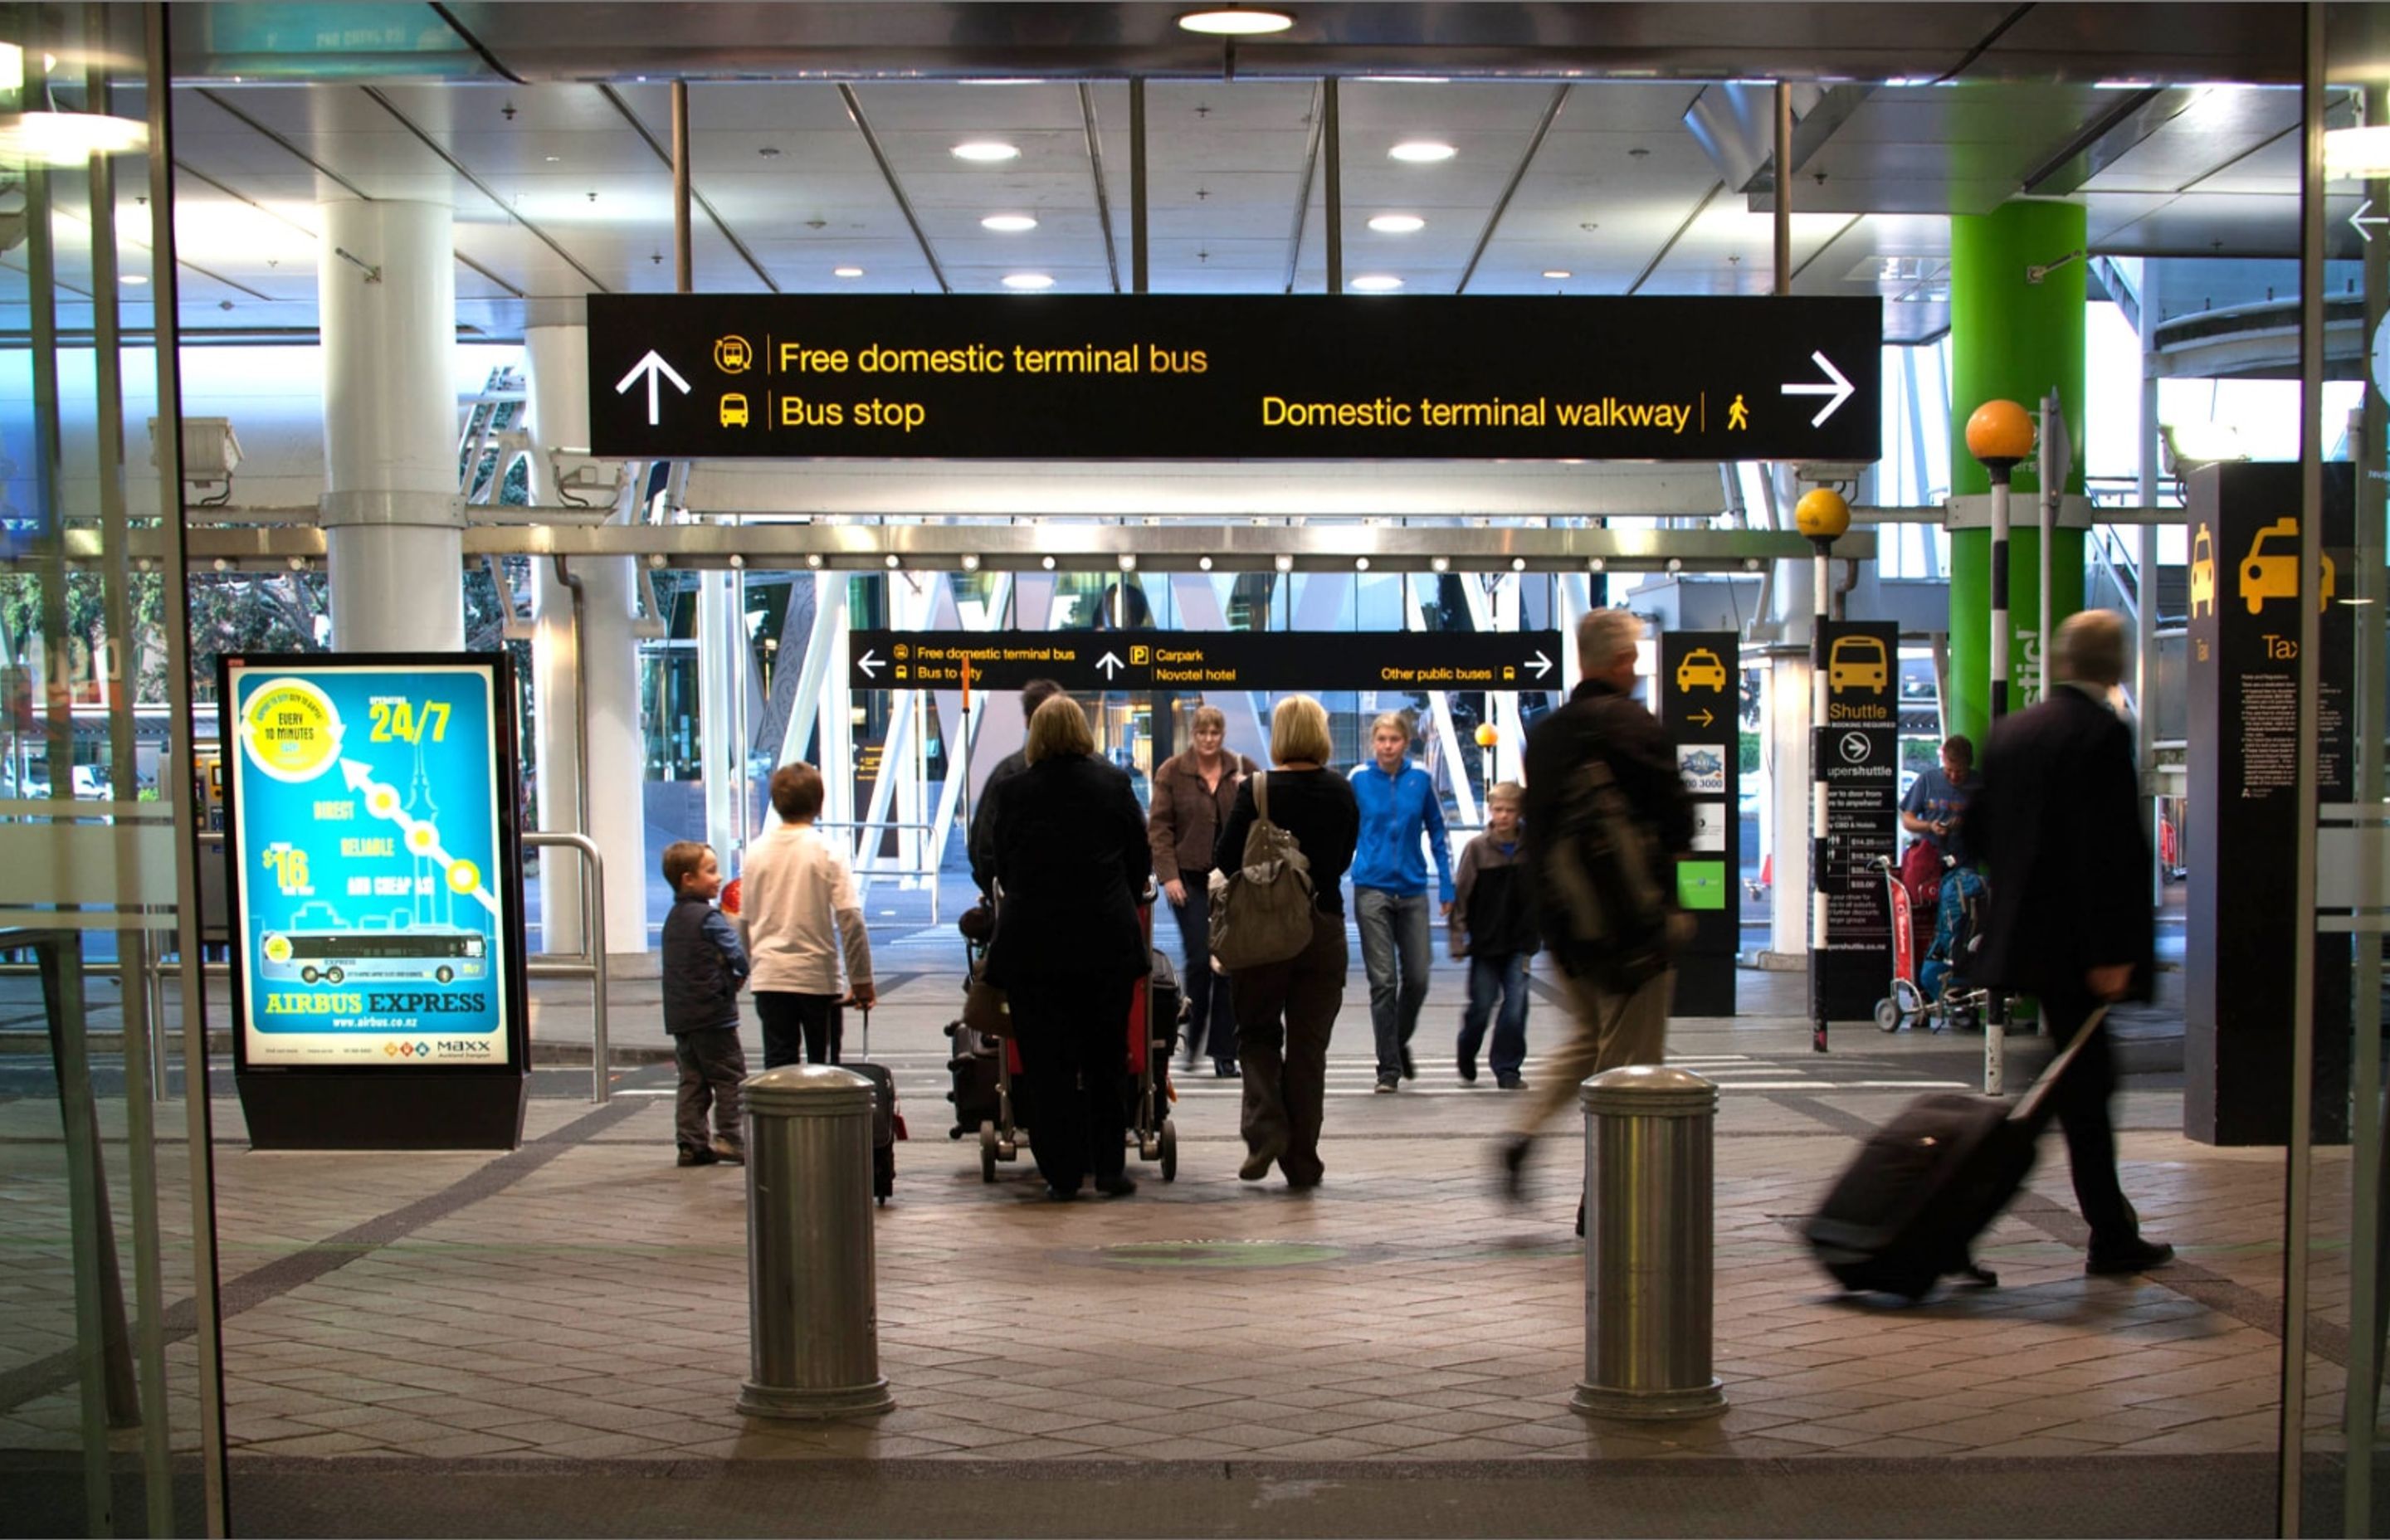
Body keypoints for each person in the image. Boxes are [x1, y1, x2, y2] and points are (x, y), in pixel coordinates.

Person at [1966, 609, 2173, 1276]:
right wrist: (2115, 951)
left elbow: (1974, 837)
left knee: (2076, 1085)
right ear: (2113, 664)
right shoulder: (2100, 734)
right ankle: (1962, 1218)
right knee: (2069, 1089)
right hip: (2080, 950)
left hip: (2024, 941)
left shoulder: (2011, 733)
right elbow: (2109, 852)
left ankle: (2108, 1229)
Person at [1504, 607, 1692, 1195]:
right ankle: (1610, 1195)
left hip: (1568, 926)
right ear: (1622, 661)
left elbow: (1536, 834)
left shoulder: (1548, 735)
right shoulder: (1632, 724)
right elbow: (1678, 820)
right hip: (1631, 925)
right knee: (1630, 1065)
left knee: (1591, 1040)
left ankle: (1526, 1133)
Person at [983, 694, 1152, 1200]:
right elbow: (1138, 860)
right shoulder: (1114, 785)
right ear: (1083, 731)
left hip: (1034, 948)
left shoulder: (1013, 791)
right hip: (1105, 943)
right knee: (1106, 1058)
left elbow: (1001, 865)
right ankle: (1109, 1170)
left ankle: (1060, 1173)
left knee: (1045, 1062)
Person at [1214, 694, 1359, 1190]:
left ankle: (1267, 1127)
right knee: (1307, 1050)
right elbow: (1340, 861)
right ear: (1320, 735)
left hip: (1263, 930)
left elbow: (1226, 856)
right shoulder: (1341, 791)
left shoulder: (1256, 789)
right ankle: (1303, 1164)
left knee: (1255, 1033)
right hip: (1323, 928)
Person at [1148, 704, 1261, 1079]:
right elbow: (1160, 828)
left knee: (1227, 962)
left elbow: (1267, 812)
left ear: (1223, 735)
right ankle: (1192, 1035)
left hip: (1232, 880)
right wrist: (1169, 876)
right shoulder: (1172, 771)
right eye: (1202, 734)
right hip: (1190, 880)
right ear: (1192, 735)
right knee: (1199, 958)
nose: (1209, 740)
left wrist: (1252, 792)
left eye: (1215, 734)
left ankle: (1224, 1052)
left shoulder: (1241, 767)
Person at [740, 762, 876, 1069]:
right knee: (824, 1066)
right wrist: (862, 980)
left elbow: (744, 921)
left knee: (777, 1065)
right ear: (819, 803)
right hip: (817, 979)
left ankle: (779, 1118)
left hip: (770, 978)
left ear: (775, 802)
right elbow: (850, 919)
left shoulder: (755, 851)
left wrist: (753, 965)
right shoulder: (827, 851)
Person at [1349, 709, 1455, 1092]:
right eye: (1381, 739)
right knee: (1383, 981)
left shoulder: (1421, 780)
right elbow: (1344, 828)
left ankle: (1397, 1040)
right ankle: (1388, 1070)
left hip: (1412, 890)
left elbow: (1440, 833)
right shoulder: (1358, 780)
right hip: (1371, 888)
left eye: (1394, 740)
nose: (1387, 746)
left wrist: (1447, 886)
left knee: (1418, 978)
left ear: (1406, 742)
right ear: (1373, 742)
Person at [658, 840, 749, 1167]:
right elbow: (735, 951)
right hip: (713, 1013)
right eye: (711, 871)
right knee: (729, 1076)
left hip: (681, 1015)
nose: (719, 877)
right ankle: (730, 1137)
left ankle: (691, 1143)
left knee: (693, 1079)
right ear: (688, 879)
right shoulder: (708, 917)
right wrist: (743, 971)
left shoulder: (673, 918)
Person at [1451, 781, 1537, 1091]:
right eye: (1498, 810)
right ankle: (1467, 1048)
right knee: (1482, 1006)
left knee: (1516, 1005)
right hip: (1486, 943)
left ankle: (1507, 1067)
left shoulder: (1532, 848)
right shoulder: (1477, 849)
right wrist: (1458, 938)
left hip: (1520, 943)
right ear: (1490, 810)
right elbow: (1462, 895)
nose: (1503, 816)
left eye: (1510, 811)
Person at [968, 677, 1063, 896]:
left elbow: (982, 848)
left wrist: (1003, 897)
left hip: (1023, 905)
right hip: (1087, 909)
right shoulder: (1103, 776)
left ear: (1027, 720)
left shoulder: (1008, 776)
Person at [1900, 734, 1975, 869]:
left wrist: (1968, 824)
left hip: (1966, 864)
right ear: (1943, 761)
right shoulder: (1927, 780)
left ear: (1969, 765)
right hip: (1930, 861)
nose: (1953, 777)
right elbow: (1907, 820)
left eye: (1960, 772)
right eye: (1949, 770)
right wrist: (1930, 826)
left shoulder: (1980, 784)